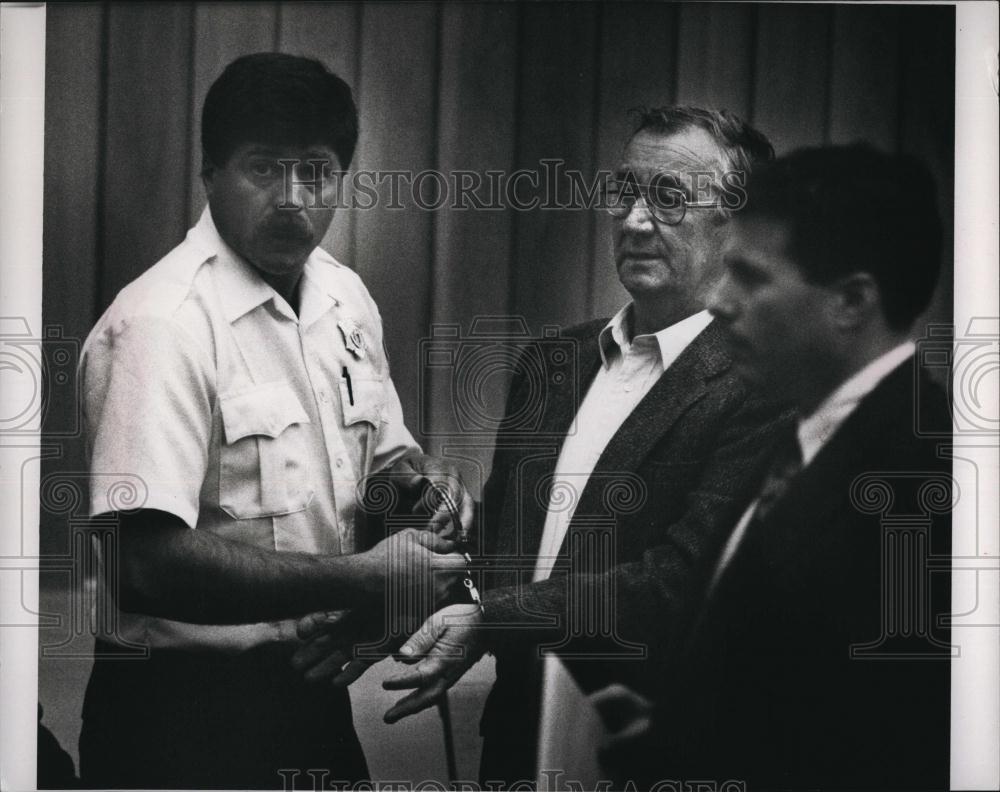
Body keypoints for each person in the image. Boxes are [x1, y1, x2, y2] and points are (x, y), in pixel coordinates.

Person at [300, 106, 793, 786]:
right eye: (624, 191)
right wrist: (413, 602)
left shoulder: (766, 383)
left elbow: (677, 587)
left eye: (669, 198)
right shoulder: (554, 362)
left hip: (655, 757)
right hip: (516, 747)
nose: (634, 219)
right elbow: (505, 562)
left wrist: (488, 620)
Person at [77, 52, 471, 790]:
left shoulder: (344, 298)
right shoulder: (164, 323)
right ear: (210, 175)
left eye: (317, 171)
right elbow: (146, 566)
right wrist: (359, 577)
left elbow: (381, 477)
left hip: (312, 695)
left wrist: (424, 497)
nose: (294, 198)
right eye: (264, 169)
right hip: (179, 719)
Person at [598, 144, 953, 790]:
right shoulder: (792, 433)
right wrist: (677, 730)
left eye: (752, 278)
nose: (720, 303)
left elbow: (893, 741)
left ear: (851, 302)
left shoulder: (927, 480)